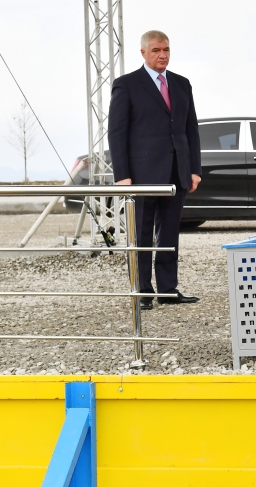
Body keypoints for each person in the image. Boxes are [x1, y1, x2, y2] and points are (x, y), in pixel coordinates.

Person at [109, 30, 202, 310]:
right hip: (141, 176)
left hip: (177, 172)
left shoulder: (182, 84)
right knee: (141, 235)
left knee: (170, 233)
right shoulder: (126, 85)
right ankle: (143, 292)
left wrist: (194, 169)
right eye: (156, 50)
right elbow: (117, 133)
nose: (162, 55)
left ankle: (168, 289)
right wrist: (122, 176)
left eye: (166, 50)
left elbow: (191, 130)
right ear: (143, 53)